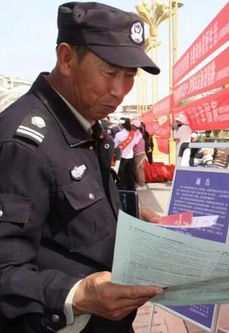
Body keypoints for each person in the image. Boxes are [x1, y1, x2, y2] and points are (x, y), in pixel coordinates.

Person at [0, 2, 164, 331]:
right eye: (109, 73)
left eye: (129, 76)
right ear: (67, 58)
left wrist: (131, 218)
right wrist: (77, 294)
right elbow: (6, 269)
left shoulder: (87, 127)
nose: (119, 91)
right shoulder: (23, 144)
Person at [114, 117, 141, 191]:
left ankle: (122, 192)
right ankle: (131, 191)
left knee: (121, 176)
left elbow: (115, 146)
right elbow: (135, 143)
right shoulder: (134, 135)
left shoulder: (118, 134)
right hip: (130, 158)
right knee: (130, 176)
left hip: (121, 158)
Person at [131, 119, 147, 188]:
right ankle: (140, 182)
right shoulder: (136, 132)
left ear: (135, 126)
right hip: (138, 153)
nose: (131, 126)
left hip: (139, 154)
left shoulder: (137, 134)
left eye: (132, 125)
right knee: (137, 168)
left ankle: (141, 183)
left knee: (138, 169)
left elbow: (134, 143)